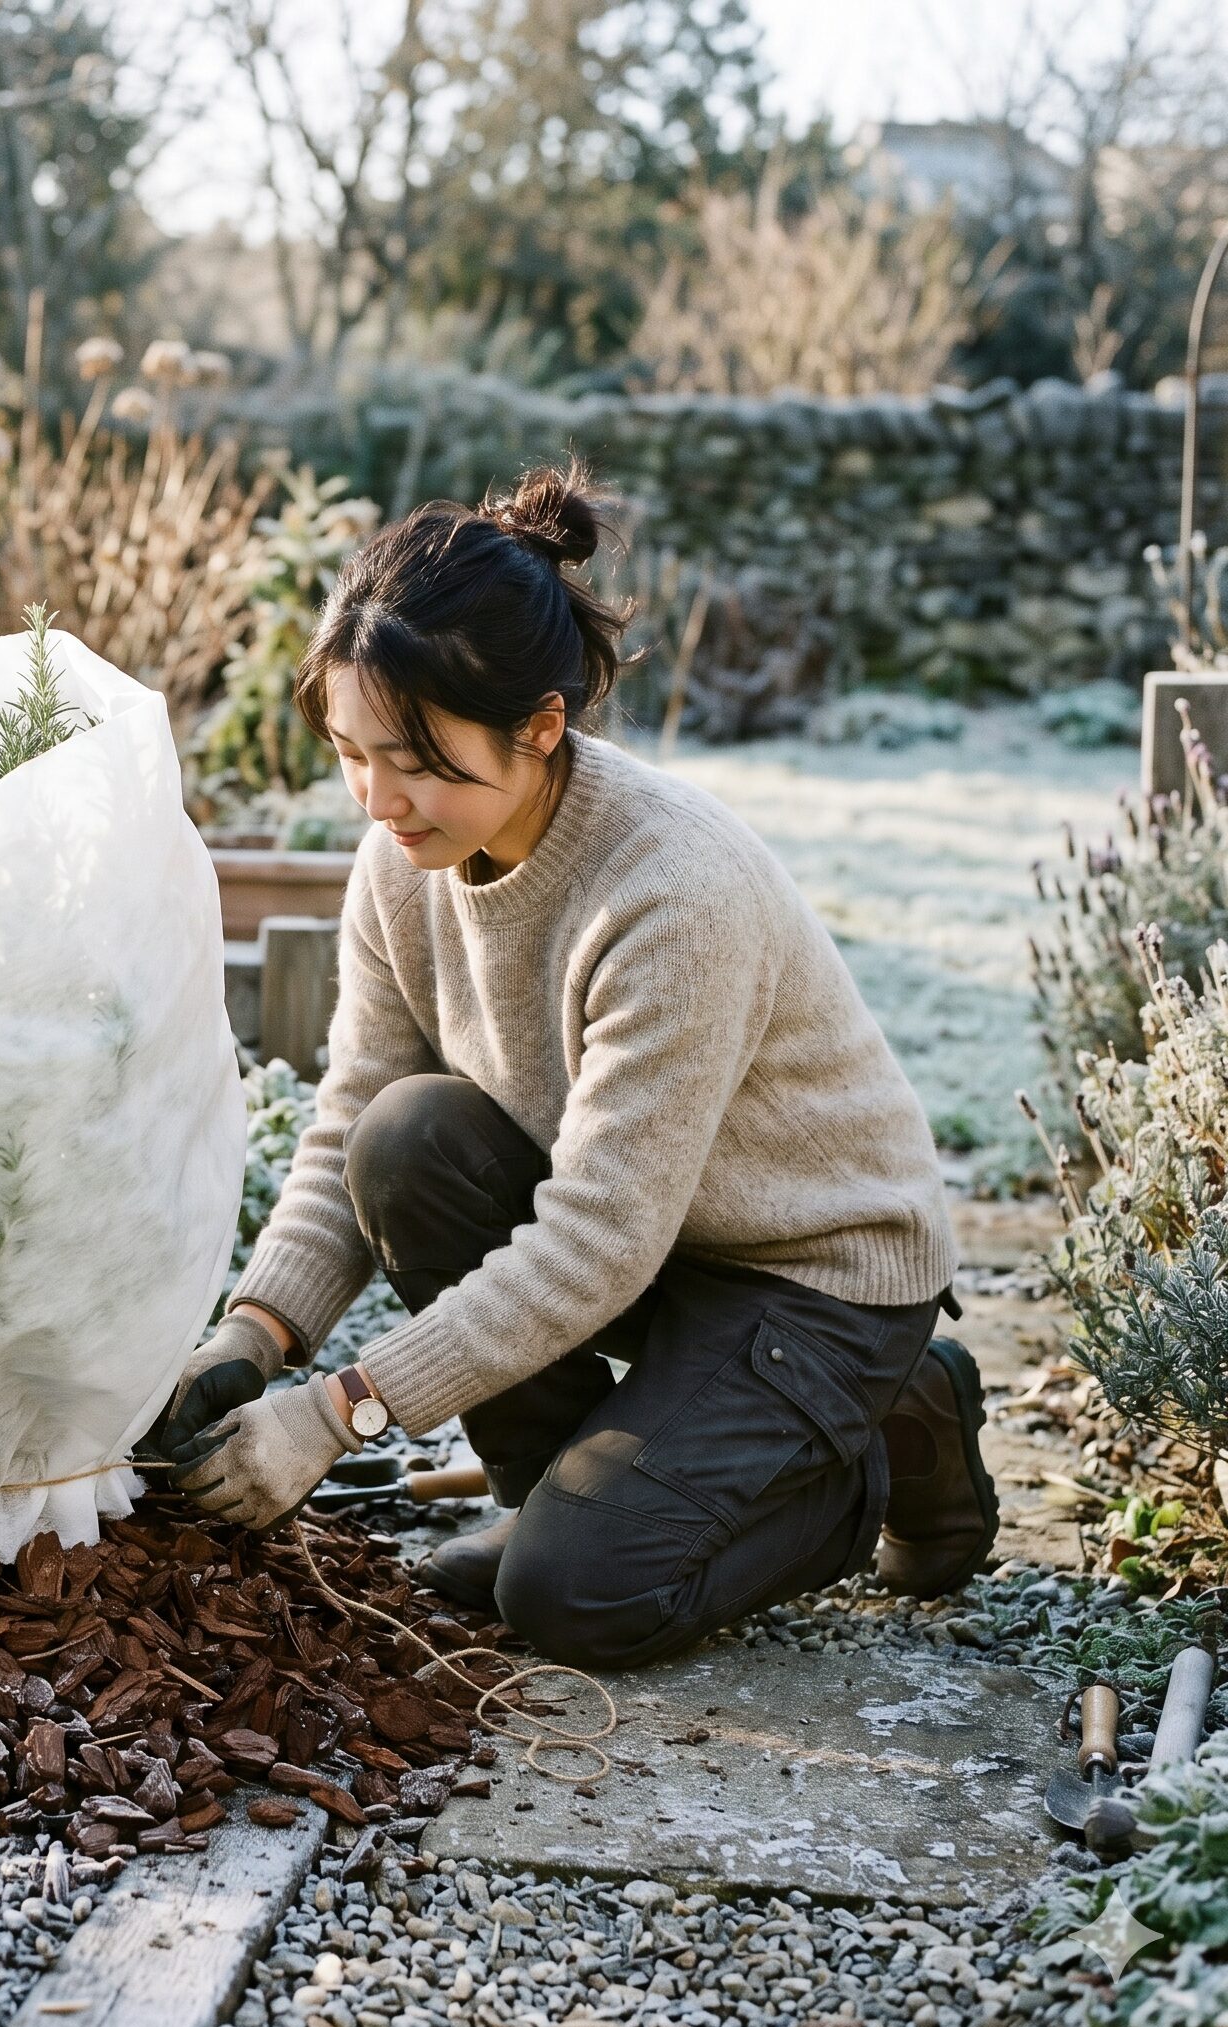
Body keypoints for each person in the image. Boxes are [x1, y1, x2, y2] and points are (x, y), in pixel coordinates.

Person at [150, 461, 998, 1672]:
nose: (379, 799)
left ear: (539, 724)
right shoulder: (405, 856)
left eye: (416, 756)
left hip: (811, 1277)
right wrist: (259, 1334)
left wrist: (339, 1411)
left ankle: (876, 1439)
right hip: (651, 1249)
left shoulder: (668, 891)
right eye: (349, 751)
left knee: (574, 1599)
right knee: (408, 1135)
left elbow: (598, 1235)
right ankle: (562, 1489)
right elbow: (347, 1131)